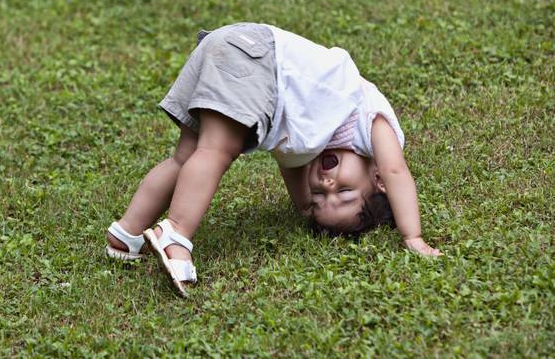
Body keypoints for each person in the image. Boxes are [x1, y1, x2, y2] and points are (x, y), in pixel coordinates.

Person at [104, 23, 442, 297]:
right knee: (215, 151)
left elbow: (291, 165)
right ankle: (176, 232)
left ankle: (128, 232)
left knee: (185, 158)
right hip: (257, 60)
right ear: (378, 178)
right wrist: (412, 236)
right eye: (346, 192)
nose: (327, 185)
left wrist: (305, 205)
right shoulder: (372, 123)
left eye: (322, 197)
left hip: (228, 46)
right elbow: (398, 170)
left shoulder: (315, 134)